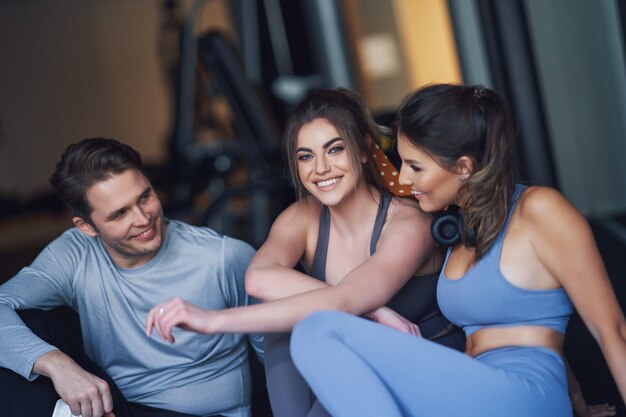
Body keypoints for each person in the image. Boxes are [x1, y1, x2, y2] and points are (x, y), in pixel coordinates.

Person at [285, 83, 626, 417]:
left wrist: (569, 393)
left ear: (463, 167)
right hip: (474, 386)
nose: (402, 179)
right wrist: (575, 393)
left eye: (415, 167)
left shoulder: (540, 209)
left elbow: (612, 331)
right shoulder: (456, 228)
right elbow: (520, 314)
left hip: (520, 394)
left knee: (317, 332)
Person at [145, 88, 464, 417]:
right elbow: (257, 279)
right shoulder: (302, 217)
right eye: (306, 156)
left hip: (425, 364)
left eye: (335, 149)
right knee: (285, 325)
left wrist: (211, 321)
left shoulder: (409, 222)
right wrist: (374, 311)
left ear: (366, 150)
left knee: (309, 323)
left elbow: (347, 299)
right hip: (360, 362)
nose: (321, 168)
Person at [0, 138, 262, 417]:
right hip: (118, 406)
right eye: (120, 213)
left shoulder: (223, 257)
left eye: (145, 197)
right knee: (27, 333)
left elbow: (277, 354)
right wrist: (55, 364)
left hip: (204, 413)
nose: (143, 218)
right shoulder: (74, 252)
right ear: (86, 227)